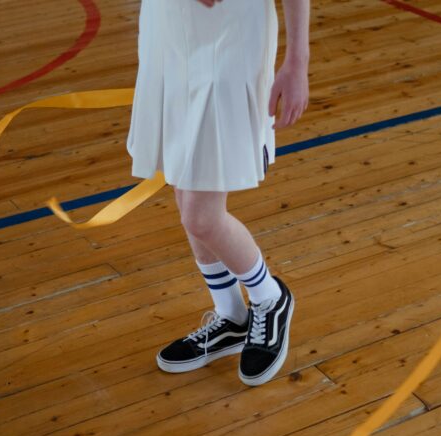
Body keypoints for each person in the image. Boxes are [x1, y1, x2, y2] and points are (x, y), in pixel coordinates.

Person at [127, 0, 310, 386]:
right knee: (184, 188)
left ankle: (269, 297)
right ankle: (232, 315)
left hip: (231, 34)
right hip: (168, 28)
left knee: (200, 215)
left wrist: (298, 61)